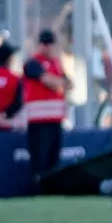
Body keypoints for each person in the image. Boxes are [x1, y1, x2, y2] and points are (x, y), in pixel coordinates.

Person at [23, 29, 72, 182]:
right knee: (40, 159)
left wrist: (59, 82)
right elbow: (49, 81)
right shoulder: (33, 63)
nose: (49, 47)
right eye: (46, 44)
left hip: (56, 120)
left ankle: (51, 186)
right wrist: (59, 83)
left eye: (51, 44)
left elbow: (69, 84)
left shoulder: (57, 63)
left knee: (53, 158)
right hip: (39, 121)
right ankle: (39, 185)